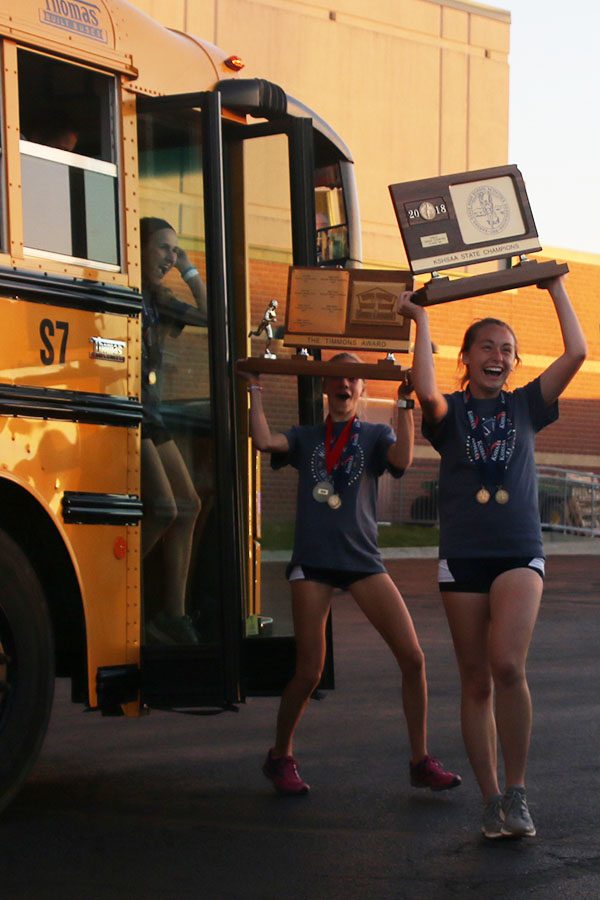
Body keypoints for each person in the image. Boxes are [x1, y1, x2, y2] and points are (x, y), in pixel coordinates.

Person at [396, 276, 587, 838]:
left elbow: (576, 351)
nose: (497, 357)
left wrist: (553, 287)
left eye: (507, 350)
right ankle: (491, 799)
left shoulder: (528, 405)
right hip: (463, 559)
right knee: (475, 680)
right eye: (487, 347)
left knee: (507, 665)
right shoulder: (449, 412)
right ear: (467, 358)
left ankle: (519, 791)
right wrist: (420, 318)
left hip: (518, 554)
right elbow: (425, 389)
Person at [241, 353, 462, 795]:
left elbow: (402, 457)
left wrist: (404, 404)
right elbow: (264, 440)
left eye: (353, 378)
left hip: (362, 560)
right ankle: (280, 755)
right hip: (314, 563)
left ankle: (420, 760)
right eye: (337, 376)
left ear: (362, 390)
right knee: (309, 670)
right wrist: (254, 387)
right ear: (326, 385)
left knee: (413, 658)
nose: (344, 383)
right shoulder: (306, 437)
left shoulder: (375, 435)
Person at [140, 216, 208, 644]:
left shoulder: (158, 299)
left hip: (152, 413)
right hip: (129, 412)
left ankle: (172, 615)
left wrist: (189, 269)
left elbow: (213, 316)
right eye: (165, 248)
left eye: (174, 250)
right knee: (165, 508)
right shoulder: (127, 291)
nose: (170, 257)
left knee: (189, 504)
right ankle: (118, 590)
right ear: (140, 247)